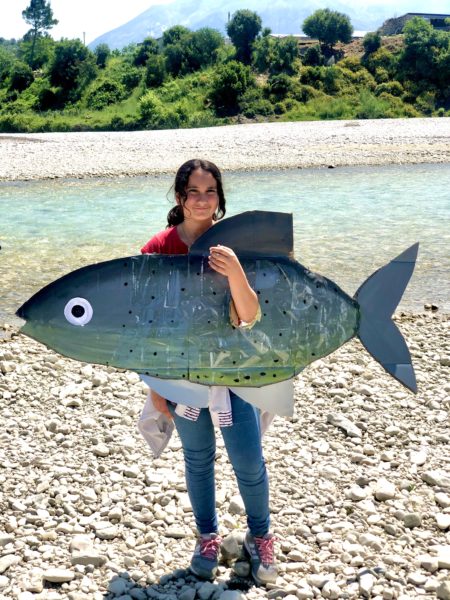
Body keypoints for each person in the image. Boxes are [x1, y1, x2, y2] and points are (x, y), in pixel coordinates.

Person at [140, 159, 278, 586]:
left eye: (210, 191)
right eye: (193, 192)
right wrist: (154, 389)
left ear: (220, 197)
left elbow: (250, 316)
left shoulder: (237, 243)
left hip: (235, 373)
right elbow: (143, 324)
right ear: (179, 197)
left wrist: (236, 269)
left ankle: (261, 537)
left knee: (249, 460)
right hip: (180, 378)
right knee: (198, 460)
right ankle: (207, 537)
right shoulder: (157, 248)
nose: (202, 200)